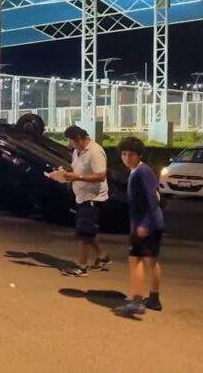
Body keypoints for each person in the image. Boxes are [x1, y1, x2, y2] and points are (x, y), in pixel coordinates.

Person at [113, 137, 165, 316]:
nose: (127, 158)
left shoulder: (142, 172)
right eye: (124, 154)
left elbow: (152, 199)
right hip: (153, 223)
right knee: (152, 260)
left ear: (139, 155)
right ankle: (154, 299)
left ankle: (136, 302)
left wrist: (144, 224)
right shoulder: (141, 171)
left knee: (135, 261)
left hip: (145, 224)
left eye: (131, 154)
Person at [61, 125, 111, 277]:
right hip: (82, 196)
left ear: (79, 139)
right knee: (89, 231)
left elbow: (100, 176)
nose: (70, 144)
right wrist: (66, 174)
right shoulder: (77, 151)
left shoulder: (95, 152)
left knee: (83, 233)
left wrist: (78, 177)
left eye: (71, 141)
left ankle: (81, 267)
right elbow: (77, 171)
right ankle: (103, 257)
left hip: (93, 197)